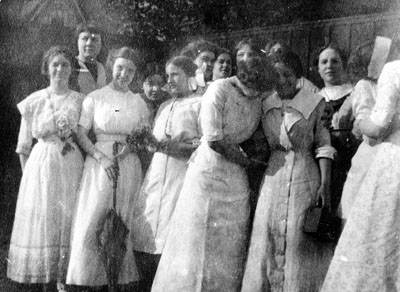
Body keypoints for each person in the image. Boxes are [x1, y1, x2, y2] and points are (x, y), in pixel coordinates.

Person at [151, 56, 275, 292]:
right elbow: (215, 139)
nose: (254, 96)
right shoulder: (219, 89)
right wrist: (248, 162)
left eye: (258, 92)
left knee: (229, 242)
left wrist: (250, 160)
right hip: (208, 172)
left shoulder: (259, 96)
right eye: (251, 89)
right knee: (197, 241)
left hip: (235, 177)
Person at [241, 51, 336, 292]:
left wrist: (325, 184)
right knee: (269, 237)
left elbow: (323, 144)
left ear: (298, 76)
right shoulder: (264, 103)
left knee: (297, 239)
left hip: (304, 175)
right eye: (276, 74)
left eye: (287, 74)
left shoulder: (314, 102)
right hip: (274, 174)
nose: (282, 79)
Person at [66, 47, 150, 290]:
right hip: (100, 162)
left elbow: (143, 135)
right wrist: (101, 158)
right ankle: (89, 278)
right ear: (112, 67)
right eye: (120, 67)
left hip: (128, 163)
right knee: (95, 215)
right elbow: (81, 133)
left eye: (130, 70)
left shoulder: (138, 102)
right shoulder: (95, 97)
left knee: (124, 216)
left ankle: (120, 278)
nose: (124, 73)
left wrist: (127, 151)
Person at [7, 46, 84, 292]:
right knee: (44, 218)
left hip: (71, 163)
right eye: (55, 65)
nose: (60, 69)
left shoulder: (80, 101)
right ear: (47, 68)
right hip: (41, 166)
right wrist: (29, 179)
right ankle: (43, 279)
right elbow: (23, 146)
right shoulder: (34, 100)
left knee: (69, 215)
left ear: (72, 69)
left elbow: (85, 136)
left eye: (65, 65)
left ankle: (64, 278)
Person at [320, 58, 400, 292]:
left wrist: (361, 122)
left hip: (393, 158)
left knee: (378, 236)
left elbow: (378, 127)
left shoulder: (394, 69)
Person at [131, 56, 202, 292]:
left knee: (173, 238)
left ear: (190, 77)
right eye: (167, 75)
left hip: (182, 176)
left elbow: (199, 146)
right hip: (157, 174)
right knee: (147, 234)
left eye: (175, 75)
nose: (169, 81)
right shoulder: (163, 106)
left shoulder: (199, 104)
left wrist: (164, 146)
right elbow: (155, 142)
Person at [338, 36, 398, 222]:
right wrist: (359, 123)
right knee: (357, 208)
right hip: (371, 152)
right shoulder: (364, 86)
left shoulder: (389, 85)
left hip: (387, 150)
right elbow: (363, 119)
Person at [316, 43, 359, 211]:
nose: (329, 66)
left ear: (343, 64)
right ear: (318, 69)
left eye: (335, 61)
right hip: (320, 164)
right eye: (324, 62)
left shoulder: (355, 93)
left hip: (349, 161)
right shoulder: (313, 97)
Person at [137, 62, 171, 174]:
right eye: (150, 84)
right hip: (137, 157)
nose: (156, 89)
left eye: (160, 84)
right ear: (142, 84)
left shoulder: (168, 104)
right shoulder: (134, 101)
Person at [73, 22, 106, 95]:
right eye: (85, 39)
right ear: (77, 42)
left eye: (94, 40)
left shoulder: (101, 68)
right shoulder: (71, 65)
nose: (89, 43)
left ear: (101, 44)